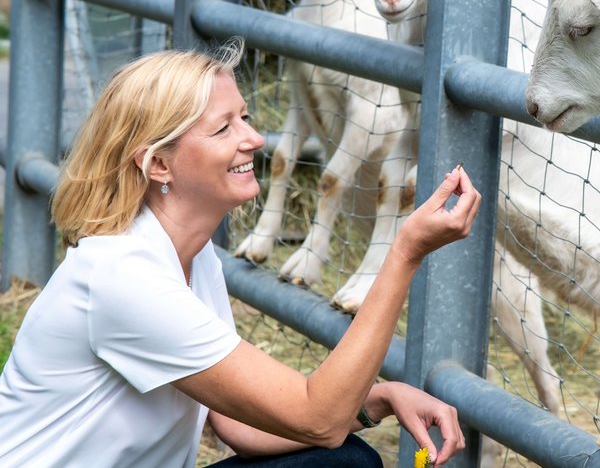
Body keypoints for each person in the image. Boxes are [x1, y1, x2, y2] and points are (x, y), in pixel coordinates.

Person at [0, 43, 481, 467]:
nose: (252, 139)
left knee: (344, 461)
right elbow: (319, 419)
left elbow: (237, 427)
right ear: (159, 164)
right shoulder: (123, 277)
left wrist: (379, 399)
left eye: (244, 118)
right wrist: (404, 252)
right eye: (222, 129)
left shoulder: (194, 257)